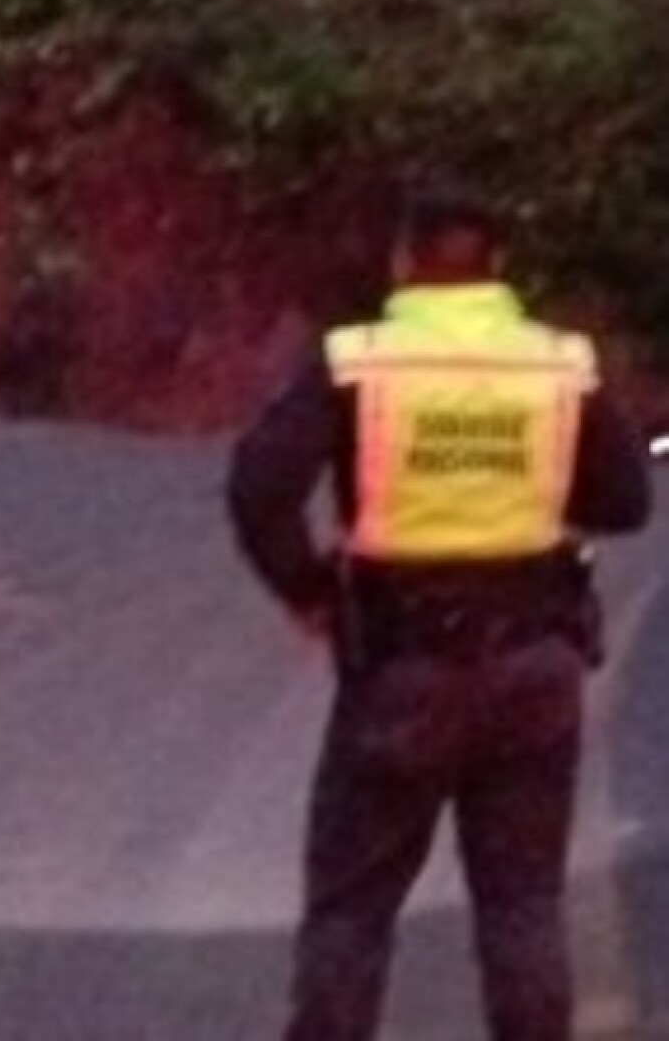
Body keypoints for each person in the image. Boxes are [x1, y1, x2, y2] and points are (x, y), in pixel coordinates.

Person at [226, 183, 653, 1041]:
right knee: (523, 904)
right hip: (535, 668)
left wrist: (307, 590)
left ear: (403, 262)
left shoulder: (358, 362)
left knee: (353, 909)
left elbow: (259, 489)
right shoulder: (558, 366)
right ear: (499, 266)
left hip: (400, 666)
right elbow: (625, 501)